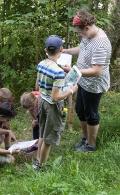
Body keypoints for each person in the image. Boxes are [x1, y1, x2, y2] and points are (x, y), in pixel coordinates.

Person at [61, 9, 112, 152]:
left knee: (91, 114)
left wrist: (73, 71)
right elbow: (83, 49)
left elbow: (96, 71)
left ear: (87, 27)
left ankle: (91, 145)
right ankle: (85, 138)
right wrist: (66, 51)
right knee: (80, 111)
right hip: (82, 80)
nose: (79, 35)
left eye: (79, 32)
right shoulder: (88, 36)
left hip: (93, 84)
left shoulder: (101, 44)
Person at [34, 35, 78, 171]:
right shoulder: (58, 72)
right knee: (49, 138)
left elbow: (37, 86)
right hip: (52, 106)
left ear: (45, 50)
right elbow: (55, 98)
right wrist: (71, 90)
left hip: (42, 101)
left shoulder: (41, 64)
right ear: (61, 49)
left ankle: (37, 160)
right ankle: (41, 167)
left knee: (42, 132)